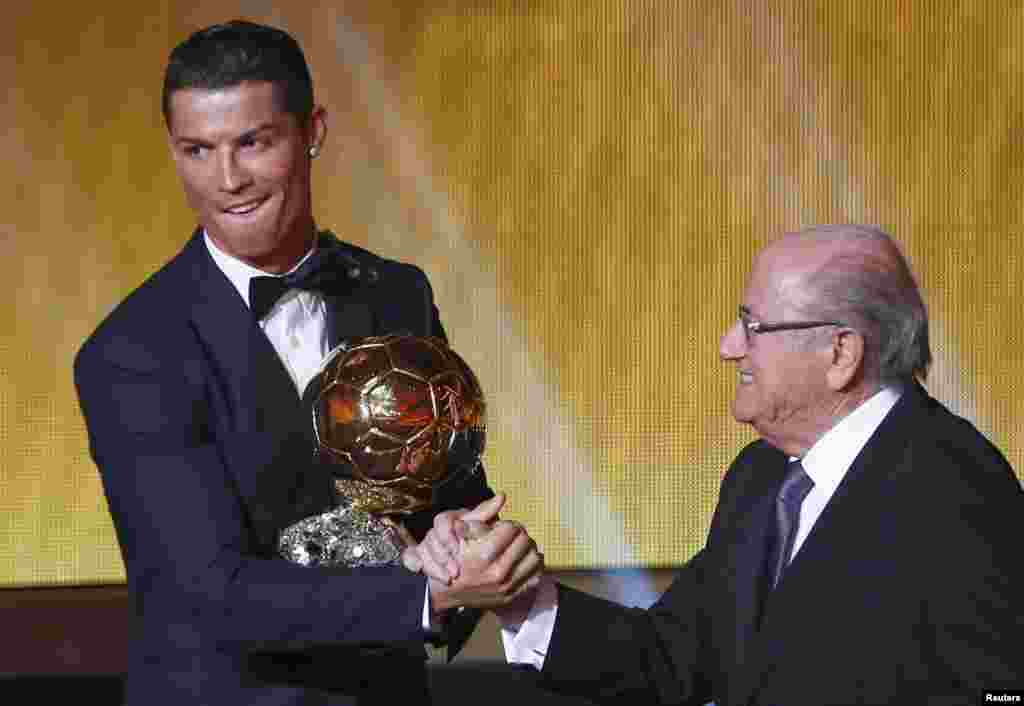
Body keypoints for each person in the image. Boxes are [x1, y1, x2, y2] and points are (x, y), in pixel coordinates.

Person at [74, 20, 539, 706]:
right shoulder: (132, 353)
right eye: (197, 150)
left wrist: (460, 543)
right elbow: (211, 594)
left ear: (312, 131)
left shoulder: (396, 293)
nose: (226, 180)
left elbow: (451, 494)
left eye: (253, 143)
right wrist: (424, 594)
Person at [418, 225, 1024, 705]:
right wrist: (517, 594)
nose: (727, 345)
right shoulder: (762, 477)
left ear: (841, 352)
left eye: (753, 325)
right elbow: (673, 659)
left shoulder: (956, 488)